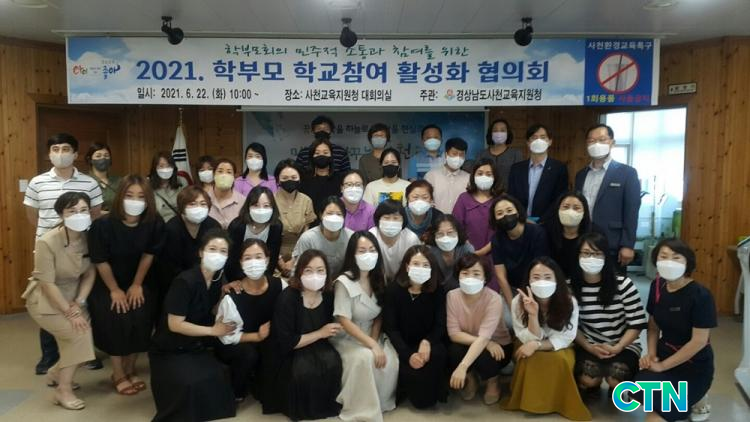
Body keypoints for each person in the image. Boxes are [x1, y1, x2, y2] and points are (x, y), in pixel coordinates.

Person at [23, 133, 103, 375]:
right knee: (49, 301)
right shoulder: (37, 182)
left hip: (79, 248)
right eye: (55, 149)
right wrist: (53, 237)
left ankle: (83, 352)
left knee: (80, 299)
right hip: (48, 248)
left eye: (66, 149)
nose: (60, 153)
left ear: (76, 154)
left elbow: (95, 213)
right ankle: (50, 356)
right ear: (49, 154)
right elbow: (32, 215)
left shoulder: (89, 183)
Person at [87, 175, 164, 397]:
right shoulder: (102, 225)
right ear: (120, 197)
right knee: (117, 317)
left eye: (141, 196)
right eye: (129, 195)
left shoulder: (154, 223)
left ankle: (130, 368)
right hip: (107, 282)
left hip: (140, 279)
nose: (135, 201)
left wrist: (137, 284)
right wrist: (115, 290)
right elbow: (100, 260)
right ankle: (118, 373)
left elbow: (149, 254)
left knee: (141, 317)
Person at [149, 229, 236, 422]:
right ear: (201, 252)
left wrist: (225, 302)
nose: (217, 254)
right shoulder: (184, 281)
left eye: (223, 251)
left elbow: (210, 308)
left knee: (218, 375)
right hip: (169, 347)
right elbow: (175, 324)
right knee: (189, 383)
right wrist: (213, 331)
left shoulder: (217, 278)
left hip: (194, 344)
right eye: (212, 249)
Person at [22, 192, 96, 410]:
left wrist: (79, 302)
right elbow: (47, 284)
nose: (79, 215)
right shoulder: (47, 241)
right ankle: (63, 390)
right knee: (79, 336)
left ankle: (56, 373)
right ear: (61, 215)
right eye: (72, 211)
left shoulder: (89, 238)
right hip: (45, 299)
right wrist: (70, 312)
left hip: (74, 297)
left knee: (85, 340)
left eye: (83, 210)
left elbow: (90, 273)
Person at [635, 239, 716, 422]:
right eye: (663, 257)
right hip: (664, 353)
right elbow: (653, 326)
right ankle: (681, 403)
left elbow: (699, 341)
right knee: (639, 387)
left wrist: (662, 366)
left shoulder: (701, 296)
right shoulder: (657, 286)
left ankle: (698, 398)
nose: (669, 262)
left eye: (676, 257)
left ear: (687, 263)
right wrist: (652, 355)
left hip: (694, 364)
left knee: (658, 412)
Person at [503, 257, 590, 420]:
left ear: (557, 279)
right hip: (526, 341)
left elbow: (566, 337)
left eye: (548, 277)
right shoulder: (517, 302)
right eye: (536, 277)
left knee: (559, 360)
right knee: (529, 358)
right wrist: (533, 315)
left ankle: (559, 402)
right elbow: (524, 336)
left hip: (559, 345)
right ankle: (530, 401)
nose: (542, 282)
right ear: (528, 280)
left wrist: (537, 345)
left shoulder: (569, 301)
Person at [262, 250, 343, 420]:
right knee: (304, 370)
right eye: (308, 270)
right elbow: (287, 342)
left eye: (320, 270)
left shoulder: (328, 295)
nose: (315, 275)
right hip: (290, 350)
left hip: (318, 345)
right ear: (299, 272)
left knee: (333, 363)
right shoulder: (288, 298)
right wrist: (320, 333)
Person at [570, 232, 648, 397]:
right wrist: (589, 347)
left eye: (597, 253)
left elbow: (637, 324)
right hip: (589, 344)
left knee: (617, 378)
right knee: (589, 379)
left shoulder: (623, 284)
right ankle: (593, 385)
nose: (591, 258)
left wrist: (618, 346)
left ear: (606, 257)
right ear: (578, 256)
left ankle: (615, 387)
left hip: (624, 344)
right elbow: (570, 327)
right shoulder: (570, 287)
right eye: (586, 253)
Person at [332, 231, 399, 421]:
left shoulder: (379, 277)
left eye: (372, 250)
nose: (368, 255)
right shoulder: (343, 282)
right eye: (362, 251)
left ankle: (381, 402)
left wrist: (375, 340)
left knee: (390, 358)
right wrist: (371, 345)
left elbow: (379, 315)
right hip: (348, 335)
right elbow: (343, 320)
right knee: (364, 358)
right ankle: (361, 407)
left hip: (372, 331)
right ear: (352, 254)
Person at [215, 239, 283, 402]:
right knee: (248, 354)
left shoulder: (280, 285)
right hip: (237, 343)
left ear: (267, 260)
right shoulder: (233, 297)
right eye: (247, 258)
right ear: (241, 262)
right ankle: (237, 392)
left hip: (266, 339)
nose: (254, 262)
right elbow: (226, 336)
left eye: (258, 257)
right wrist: (256, 336)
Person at [384, 245, 447, 409]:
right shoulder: (393, 290)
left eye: (426, 265)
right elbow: (391, 328)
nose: (420, 269)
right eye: (416, 264)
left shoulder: (438, 290)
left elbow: (440, 324)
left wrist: (427, 341)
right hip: (402, 345)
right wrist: (407, 354)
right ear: (407, 267)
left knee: (426, 401)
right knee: (414, 390)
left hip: (427, 343)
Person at [447, 254, 512, 405]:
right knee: (453, 350)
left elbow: (484, 337)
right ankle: (471, 378)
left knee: (485, 356)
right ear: (458, 275)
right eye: (465, 273)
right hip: (473, 341)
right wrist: (487, 343)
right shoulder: (452, 296)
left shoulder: (494, 298)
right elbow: (454, 334)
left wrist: (462, 366)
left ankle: (493, 381)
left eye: (476, 273)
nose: (470, 278)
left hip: (499, 345)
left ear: (485, 278)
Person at [575, 124, 641, 273]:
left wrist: (628, 245)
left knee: (613, 283)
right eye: (591, 140)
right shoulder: (581, 174)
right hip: (584, 241)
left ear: (612, 142)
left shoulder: (627, 173)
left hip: (613, 243)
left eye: (602, 139)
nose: (596, 144)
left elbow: (631, 211)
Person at [159, 186, 221, 303]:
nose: (198, 208)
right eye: (192, 204)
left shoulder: (214, 227)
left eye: (203, 204)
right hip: (176, 285)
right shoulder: (171, 229)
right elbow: (168, 268)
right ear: (182, 207)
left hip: (208, 282)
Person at [491, 194, 550, 309]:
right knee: (508, 317)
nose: (505, 215)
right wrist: (512, 306)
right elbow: (500, 276)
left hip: (537, 285)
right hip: (512, 289)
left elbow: (541, 268)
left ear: (517, 212)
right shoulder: (496, 239)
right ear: (495, 219)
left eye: (509, 210)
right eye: (499, 213)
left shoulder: (537, 233)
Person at [507, 124, 569, 222]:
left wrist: (540, 222)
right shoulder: (516, 169)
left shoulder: (559, 169)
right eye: (534, 137)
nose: (538, 141)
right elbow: (511, 197)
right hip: (520, 222)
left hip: (547, 223)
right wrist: (521, 218)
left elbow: (559, 200)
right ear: (528, 142)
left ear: (550, 141)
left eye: (543, 137)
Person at [226, 186, 283, 281]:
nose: (261, 210)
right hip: (237, 275)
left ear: (273, 207)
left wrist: (264, 280)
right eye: (256, 205)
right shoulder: (237, 226)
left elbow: (272, 258)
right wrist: (240, 281)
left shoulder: (276, 226)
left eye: (266, 206)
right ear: (248, 207)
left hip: (263, 274)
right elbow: (231, 259)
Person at [452, 158, 501, 264]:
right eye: (480, 173)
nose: (484, 177)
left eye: (488, 174)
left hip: (495, 256)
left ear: (495, 177)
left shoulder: (500, 200)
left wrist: (482, 252)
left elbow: (502, 232)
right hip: (466, 255)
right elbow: (456, 227)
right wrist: (470, 250)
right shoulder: (463, 198)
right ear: (473, 176)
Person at [273, 159, 316, 277]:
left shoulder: (306, 200)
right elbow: (268, 235)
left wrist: (294, 260)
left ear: (299, 178)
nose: (289, 180)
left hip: (300, 253)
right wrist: (280, 262)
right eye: (285, 178)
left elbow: (306, 234)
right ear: (278, 179)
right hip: (274, 252)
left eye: (293, 177)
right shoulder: (270, 200)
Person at [292, 196, 353, 275]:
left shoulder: (351, 237)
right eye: (329, 213)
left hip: (341, 279)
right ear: (321, 215)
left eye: (339, 214)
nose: (334, 218)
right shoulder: (308, 238)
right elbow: (299, 269)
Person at [542, 192, 595, 279]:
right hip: (552, 280)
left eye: (576, 208)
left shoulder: (594, 233)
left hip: (583, 279)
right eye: (566, 207)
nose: (570, 212)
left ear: (584, 212)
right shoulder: (545, 231)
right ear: (558, 209)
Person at [368, 200, 421, 280]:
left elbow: (416, 266)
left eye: (396, 218)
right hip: (376, 280)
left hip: (404, 280)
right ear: (378, 219)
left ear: (403, 220)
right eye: (386, 218)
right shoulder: (372, 236)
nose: (391, 222)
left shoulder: (411, 239)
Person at [425, 214, 475, 291]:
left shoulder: (466, 249)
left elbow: (471, 277)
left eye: (450, 232)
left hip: (462, 292)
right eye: (440, 234)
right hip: (436, 292)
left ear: (458, 233)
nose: (445, 237)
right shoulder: (430, 252)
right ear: (434, 235)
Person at [425, 137, 471, 214]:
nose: (458, 157)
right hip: (436, 220)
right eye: (454, 154)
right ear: (446, 154)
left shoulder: (469, 178)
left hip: (460, 221)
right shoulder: (431, 176)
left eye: (461, 155)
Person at [299, 137, 344, 215]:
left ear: (331, 156)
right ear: (312, 156)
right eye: (317, 153)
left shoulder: (340, 179)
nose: (321, 155)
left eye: (325, 153)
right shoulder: (304, 179)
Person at [475, 118, 523, 190]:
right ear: (491, 134)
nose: (499, 133)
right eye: (495, 130)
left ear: (508, 133)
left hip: (508, 195)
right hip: (485, 194)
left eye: (502, 130)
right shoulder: (481, 154)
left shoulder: (515, 154)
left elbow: (519, 179)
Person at [148, 151, 187, 222]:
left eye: (168, 166)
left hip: (177, 225)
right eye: (161, 166)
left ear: (173, 167)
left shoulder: (181, 183)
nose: (165, 169)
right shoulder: (148, 186)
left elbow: (186, 208)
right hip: (158, 225)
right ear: (155, 168)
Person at [207, 158, 245, 229]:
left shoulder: (243, 201)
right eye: (220, 171)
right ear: (214, 175)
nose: (224, 175)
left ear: (234, 177)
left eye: (229, 172)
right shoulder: (204, 199)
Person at [85, 142, 121, 213]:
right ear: (90, 159)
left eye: (106, 155)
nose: (103, 158)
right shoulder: (84, 180)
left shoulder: (119, 181)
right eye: (98, 156)